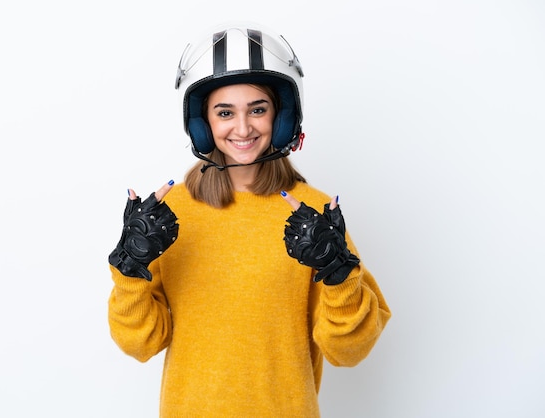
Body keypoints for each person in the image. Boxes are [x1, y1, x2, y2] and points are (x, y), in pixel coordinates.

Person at [107, 23, 391, 417]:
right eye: (225, 113)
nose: (243, 128)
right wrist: (129, 269)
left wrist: (339, 274)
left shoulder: (315, 215)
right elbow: (140, 344)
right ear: (202, 123)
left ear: (282, 116)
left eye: (258, 109)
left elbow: (349, 351)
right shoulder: (168, 216)